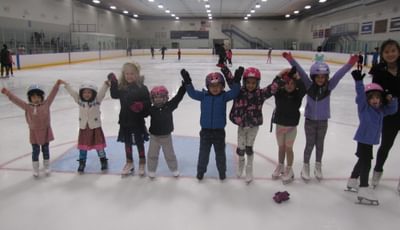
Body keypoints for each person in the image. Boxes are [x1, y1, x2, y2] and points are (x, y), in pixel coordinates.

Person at [283, 52, 358, 181]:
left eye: (323, 77)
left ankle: (318, 165)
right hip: (310, 121)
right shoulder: (308, 85)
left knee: (320, 144)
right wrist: (290, 59)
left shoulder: (329, 86)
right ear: (313, 77)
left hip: (323, 121)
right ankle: (305, 166)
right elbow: (299, 70)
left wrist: (350, 63)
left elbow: (340, 74)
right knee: (309, 144)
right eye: (318, 77)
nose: (320, 79)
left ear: (327, 77)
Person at [180, 67, 242, 181]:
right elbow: (192, 93)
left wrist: (237, 80)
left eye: (218, 86)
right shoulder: (203, 96)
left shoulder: (224, 97)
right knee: (203, 154)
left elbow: (235, 92)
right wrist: (188, 82)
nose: (215, 88)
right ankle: (200, 171)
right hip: (205, 132)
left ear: (222, 86)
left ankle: (222, 172)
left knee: (220, 154)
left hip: (219, 132)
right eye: (212, 86)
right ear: (207, 86)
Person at [346, 70, 397, 204]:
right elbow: (361, 96)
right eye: (372, 97)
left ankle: (352, 180)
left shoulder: (380, 111)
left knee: (362, 160)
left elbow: (393, 110)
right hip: (363, 138)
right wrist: (358, 82)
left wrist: (390, 99)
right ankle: (363, 187)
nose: (375, 100)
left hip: (370, 140)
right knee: (366, 161)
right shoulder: (364, 108)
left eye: (378, 98)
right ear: (367, 99)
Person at [222, 66, 274, 183]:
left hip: (253, 127)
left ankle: (249, 169)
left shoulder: (260, 94)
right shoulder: (239, 92)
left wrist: (282, 78)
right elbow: (232, 82)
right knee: (241, 148)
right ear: (244, 82)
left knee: (249, 148)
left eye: (253, 83)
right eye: (248, 82)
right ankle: (241, 165)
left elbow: (272, 88)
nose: (250, 85)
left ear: (257, 83)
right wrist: (225, 69)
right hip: (241, 126)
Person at [1, 80, 62, 177]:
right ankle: (35, 168)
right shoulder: (27, 107)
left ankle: (47, 166)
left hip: (45, 131)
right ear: (30, 98)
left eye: (38, 96)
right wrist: (8, 93)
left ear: (42, 97)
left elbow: (52, 95)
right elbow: (16, 100)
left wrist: (57, 85)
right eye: (33, 97)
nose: (36, 99)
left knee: (45, 150)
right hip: (34, 133)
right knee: (35, 151)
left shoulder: (46, 104)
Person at [108, 62, 151, 177]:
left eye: (132, 73)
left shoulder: (142, 88)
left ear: (137, 74)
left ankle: (142, 161)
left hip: (137, 121)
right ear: (123, 74)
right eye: (127, 74)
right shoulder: (122, 87)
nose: (129, 76)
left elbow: (148, 104)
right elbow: (114, 95)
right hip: (125, 120)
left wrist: (141, 106)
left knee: (139, 142)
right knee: (127, 142)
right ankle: (129, 162)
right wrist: (113, 82)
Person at [369, 39, 400, 189]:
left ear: (398, 51)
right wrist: (384, 96)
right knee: (386, 145)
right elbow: (375, 92)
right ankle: (377, 170)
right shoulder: (379, 71)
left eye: (393, 50)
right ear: (382, 54)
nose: (390, 54)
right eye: (387, 51)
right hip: (390, 115)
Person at [61, 80, 109, 173]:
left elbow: (102, 93)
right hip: (84, 128)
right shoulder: (80, 101)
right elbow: (73, 94)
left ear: (93, 93)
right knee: (83, 147)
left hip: (95, 128)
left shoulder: (96, 101)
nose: (86, 94)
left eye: (89, 92)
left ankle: (103, 160)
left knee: (99, 146)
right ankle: (82, 162)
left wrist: (106, 84)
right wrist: (67, 85)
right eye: (84, 92)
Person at [270, 66, 306, 184]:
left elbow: (303, 86)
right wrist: (280, 74)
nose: (289, 85)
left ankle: (289, 169)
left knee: (289, 148)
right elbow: (273, 86)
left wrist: (296, 77)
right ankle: (280, 165)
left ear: (295, 85)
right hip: (280, 126)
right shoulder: (279, 93)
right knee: (281, 148)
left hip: (291, 127)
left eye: (292, 83)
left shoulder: (298, 94)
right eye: (287, 83)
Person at [146, 84, 186, 178]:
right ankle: (151, 170)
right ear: (152, 99)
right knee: (152, 154)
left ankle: (174, 169)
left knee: (169, 155)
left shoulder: (169, 106)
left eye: (161, 97)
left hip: (166, 137)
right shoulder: (151, 109)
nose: (158, 99)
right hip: (154, 137)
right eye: (156, 97)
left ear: (165, 98)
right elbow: (141, 113)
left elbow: (178, 98)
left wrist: (183, 87)